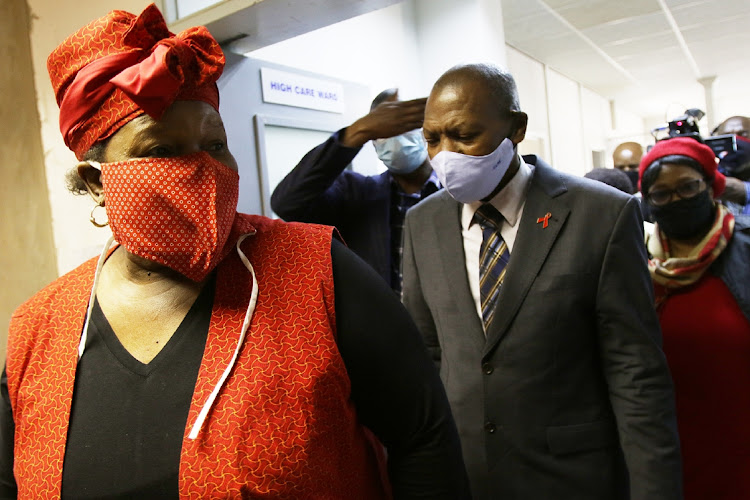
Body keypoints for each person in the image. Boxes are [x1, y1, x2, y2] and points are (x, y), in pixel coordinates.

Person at [0, 5, 471, 499]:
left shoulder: (319, 273)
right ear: (98, 183)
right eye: (161, 151)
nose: (201, 171)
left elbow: (423, 439)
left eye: (215, 144)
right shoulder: (39, 329)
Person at [401, 63, 682, 499]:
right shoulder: (423, 222)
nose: (445, 155)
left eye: (464, 135)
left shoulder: (602, 214)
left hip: (570, 477)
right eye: (433, 139)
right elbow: (427, 355)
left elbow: (635, 372)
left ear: (515, 128)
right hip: (466, 477)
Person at [638, 137, 750, 500]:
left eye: (688, 187)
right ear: (649, 203)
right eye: (662, 194)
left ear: (711, 186)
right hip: (666, 442)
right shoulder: (634, 263)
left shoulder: (745, 250)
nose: (677, 200)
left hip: (739, 433)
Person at [271, 89, 440, 295]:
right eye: (385, 130)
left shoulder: (458, 194)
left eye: (404, 126)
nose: (395, 137)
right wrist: (356, 132)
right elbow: (286, 203)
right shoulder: (355, 193)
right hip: (383, 324)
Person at [712, 115, 750, 214]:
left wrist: (745, 191)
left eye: (743, 134)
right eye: (727, 136)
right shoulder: (709, 177)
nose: (736, 141)